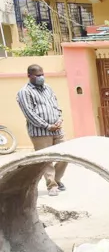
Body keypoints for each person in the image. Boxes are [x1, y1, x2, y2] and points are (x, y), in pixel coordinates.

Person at [16, 64, 68, 196]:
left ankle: (56, 179)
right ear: (29, 76)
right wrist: (47, 126)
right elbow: (29, 113)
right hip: (40, 132)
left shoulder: (48, 88)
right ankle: (52, 185)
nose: (41, 77)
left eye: (42, 74)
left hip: (57, 129)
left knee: (66, 155)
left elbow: (55, 104)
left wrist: (59, 119)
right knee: (46, 159)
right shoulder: (24, 92)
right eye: (37, 75)